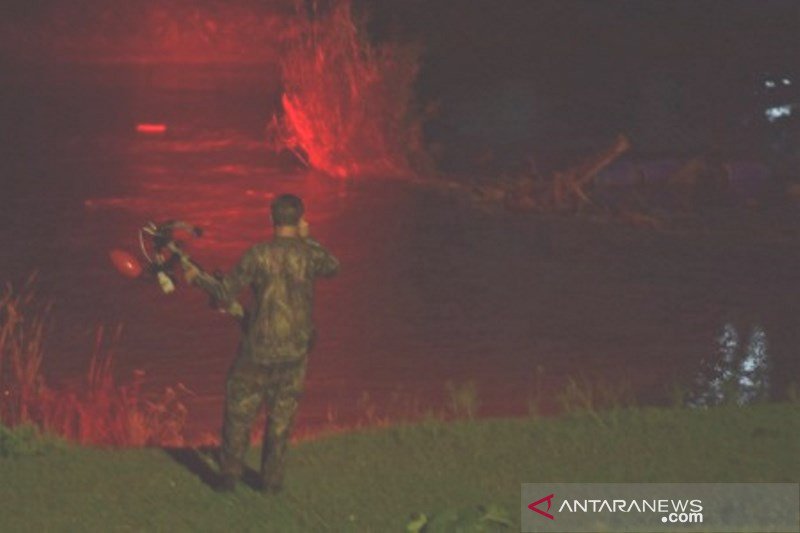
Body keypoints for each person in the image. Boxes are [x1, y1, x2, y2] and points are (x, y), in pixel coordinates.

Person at [184, 193, 339, 493]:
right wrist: (308, 238)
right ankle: (270, 483)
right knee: (281, 420)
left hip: (258, 350)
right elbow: (334, 266)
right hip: (295, 353)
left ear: (271, 219)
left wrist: (196, 278)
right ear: (300, 220)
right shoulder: (309, 254)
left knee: (239, 412)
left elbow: (224, 293)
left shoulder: (258, 254)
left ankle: (228, 477)